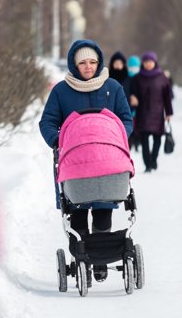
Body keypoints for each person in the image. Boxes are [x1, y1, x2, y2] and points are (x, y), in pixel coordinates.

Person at [39, 39, 133, 282]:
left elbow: (126, 119)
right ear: (74, 64)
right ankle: (82, 257)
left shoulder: (112, 87)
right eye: (83, 63)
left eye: (92, 62)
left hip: (105, 159)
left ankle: (100, 258)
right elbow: (47, 122)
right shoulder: (61, 91)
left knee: (103, 211)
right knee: (77, 212)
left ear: (99, 62)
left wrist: (116, 136)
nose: (88, 67)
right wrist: (59, 140)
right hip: (75, 161)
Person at [130, 51, 173, 173]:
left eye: (150, 62)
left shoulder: (162, 77)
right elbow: (133, 94)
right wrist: (133, 99)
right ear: (143, 63)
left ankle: (153, 159)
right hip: (142, 113)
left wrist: (168, 112)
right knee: (144, 140)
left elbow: (167, 97)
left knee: (157, 139)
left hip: (157, 113)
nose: (148, 64)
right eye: (146, 62)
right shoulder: (137, 78)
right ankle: (148, 164)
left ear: (155, 62)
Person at [126, 55, 142, 151]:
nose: (133, 69)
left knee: (138, 127)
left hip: (140, 108)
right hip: (129, 107)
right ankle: (132, 142)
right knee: (132, 126)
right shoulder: (127, 78)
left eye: (135, 67)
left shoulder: (141, 77)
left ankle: (137, 142)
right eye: (131, 67)